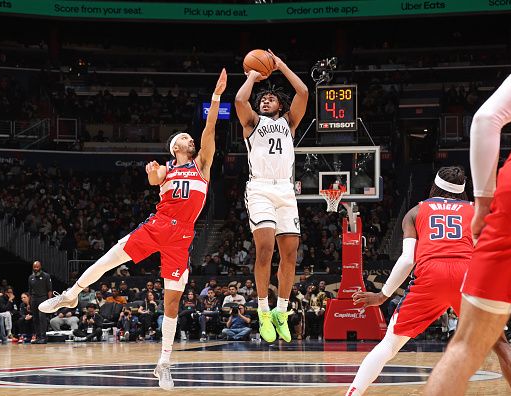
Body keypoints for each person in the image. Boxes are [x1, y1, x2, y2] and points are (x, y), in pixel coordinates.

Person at [38, 69, 227, 390]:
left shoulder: (202, 166)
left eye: (190, 137)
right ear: (174, 147)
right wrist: (154, 175)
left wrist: (216, 96)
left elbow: (210, 128)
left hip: (182, 236)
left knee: (172, 302)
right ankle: (71, 294)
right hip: (157, 226)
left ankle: (164, 363)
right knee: (110, 259)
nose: (190, 138)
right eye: (184, 137)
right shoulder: (167, 168)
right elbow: (155, 180)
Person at [346, 166, 511, 396]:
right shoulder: (476, 211)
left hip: (430, 276)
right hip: (468, 276)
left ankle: (352, 394)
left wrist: (382, 295)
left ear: (434, 186)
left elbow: (407, 260)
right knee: (502, 345)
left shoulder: (415, 212)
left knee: (388, 346)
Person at [425, 74, 511, 395]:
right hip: (450, 273)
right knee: (500, 345)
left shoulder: (419, 210)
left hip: (508, 197)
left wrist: (483, 204)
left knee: (465, 347)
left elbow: (486, 119)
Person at [235, 49, 308, 343]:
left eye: (270, 98)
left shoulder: (289, 123)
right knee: (265, 248)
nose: (265, 100)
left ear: (280, 104)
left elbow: (302, 90)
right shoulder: (252, 122)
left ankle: (281, 310)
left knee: (290, 253)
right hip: (260, 188)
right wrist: (253, 75)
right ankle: (263, 310)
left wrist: (280, 64)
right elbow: (241, 100)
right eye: (262, 99)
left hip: (286, 190)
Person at [28, 261, 53, 344]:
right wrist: (28, 303)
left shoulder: (46, 276)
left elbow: (49, 290)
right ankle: (38, 337)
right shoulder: (31, 277)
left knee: (42, 318)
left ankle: (43, 337)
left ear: (40, 267)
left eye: (37, 267)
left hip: (43, 299)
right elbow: (30, 291)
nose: (36, 269)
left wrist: (49, 301)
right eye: (34, 267)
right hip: (34, 299)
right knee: (35, 319)